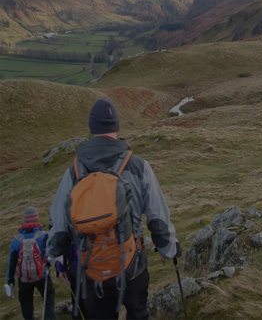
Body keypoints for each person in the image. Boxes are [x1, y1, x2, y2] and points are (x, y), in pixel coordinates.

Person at [47, 98, 181, 319]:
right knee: (138, 313)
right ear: (117, 127)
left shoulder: (74, 172)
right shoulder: (139, 166)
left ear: (92, 128)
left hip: (89, 270)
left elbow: (59, 228)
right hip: (132, 266)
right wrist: (170, 249)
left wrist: (53, 257)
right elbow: (158, 220)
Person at [7, 207, 55, 320]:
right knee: (49, 295)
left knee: (26, 302)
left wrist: (10, 279)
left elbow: (12, 262)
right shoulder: (43, 235)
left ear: (25, 220)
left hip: (24, 278)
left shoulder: (16, 239)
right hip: (42, 275)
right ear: (36, 218)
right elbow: (51, 254)